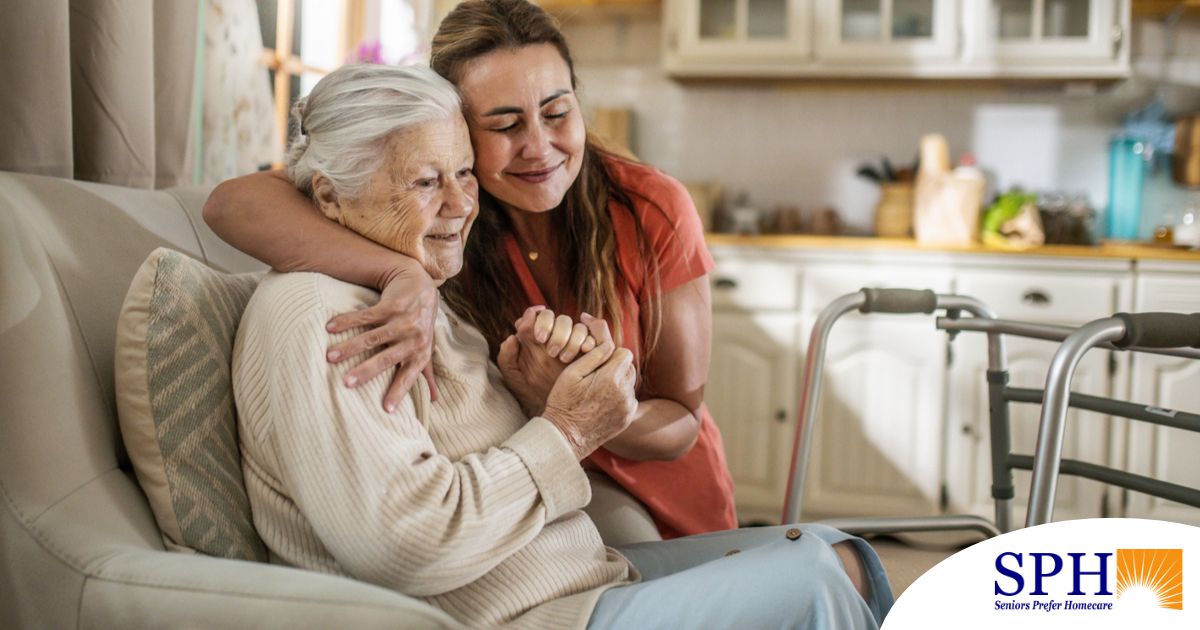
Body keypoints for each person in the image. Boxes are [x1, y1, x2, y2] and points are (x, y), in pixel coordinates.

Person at [233, 62, 892, 629]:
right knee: (812, 577)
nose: (463, 205)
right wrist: (568, 431)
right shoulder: (321, 316)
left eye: (464, 173)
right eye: (426, 182)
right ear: (329, 195)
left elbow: (465, 452)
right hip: (529, 617)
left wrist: (533, 393)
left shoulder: (410, 290)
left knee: (840, 553)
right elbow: (407, 543)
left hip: (577, 581)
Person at [205, 0, 734, 541]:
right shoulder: (446, 218)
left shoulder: (649, 207)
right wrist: (399, 273)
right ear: (456, 127)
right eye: (504, 124)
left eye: (557, 113)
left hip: (666, 499)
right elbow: (231, 204)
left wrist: (586, 407)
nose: (539, 147)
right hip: (535, 493)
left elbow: (682, 425)